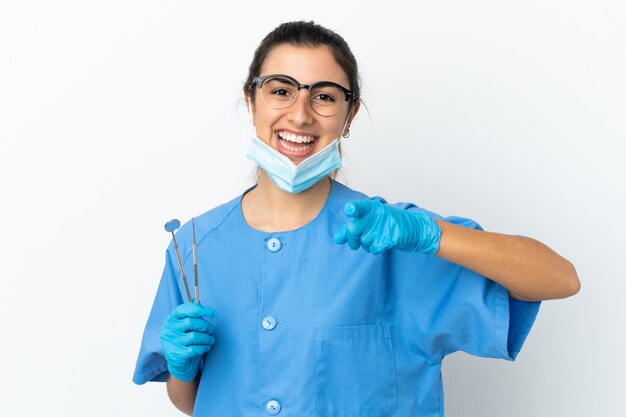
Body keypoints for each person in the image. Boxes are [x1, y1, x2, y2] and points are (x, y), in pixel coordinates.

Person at [133, 21, 580, 417]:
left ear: (349, 115)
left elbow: (559, 279)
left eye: (324, 96)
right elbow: (192, 400)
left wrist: (429, 234)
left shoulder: (393, 239)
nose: (301, 113)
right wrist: (181, 368)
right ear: (251, 100)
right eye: (281, 89)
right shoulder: (194, 246)